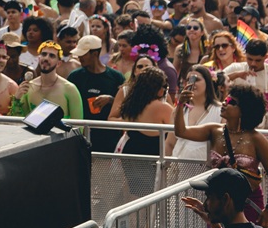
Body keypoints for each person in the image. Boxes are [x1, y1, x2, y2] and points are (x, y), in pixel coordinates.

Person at [173, 82, 268, 227]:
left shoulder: (257, 139)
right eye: (225, 99)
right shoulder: (214, 131)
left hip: (247, 203)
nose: (224, 103)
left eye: (231, 102)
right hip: (218, 203)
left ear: (244, 110)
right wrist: (180, 104)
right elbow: (181, 132)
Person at [113, 68, 174, 196]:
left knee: (135, 196)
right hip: (153, 157)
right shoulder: (163, 108)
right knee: (154, 198)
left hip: (130, 154)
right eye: (164, 86)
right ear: (156, 88)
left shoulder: (130, 105)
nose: (165, 90)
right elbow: (177, 133)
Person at [69, 34, 126, 152]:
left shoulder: (116, 77)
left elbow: (126, 104)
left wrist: (111, 100)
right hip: (80, 136)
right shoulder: (75, 76)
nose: (79, 57)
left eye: (83, 54)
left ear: (94, 54)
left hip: (108, 137)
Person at [8, 41, 83, 121]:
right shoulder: (29, 87)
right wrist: (17, 99)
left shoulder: (69, 89)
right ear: (39, 58)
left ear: (59, 63)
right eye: (44, 54)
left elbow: (78, 125)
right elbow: (19, 121)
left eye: (52, 56)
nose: (46, 58)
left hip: (60, 133)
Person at [167, 65, 222, 161]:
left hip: (205, 168)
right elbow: (170, 143)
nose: (192, 83)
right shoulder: (179, 110)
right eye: (188, 80)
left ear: (207, 82)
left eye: (196, 79)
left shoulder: (220, 111)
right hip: (178, 165)